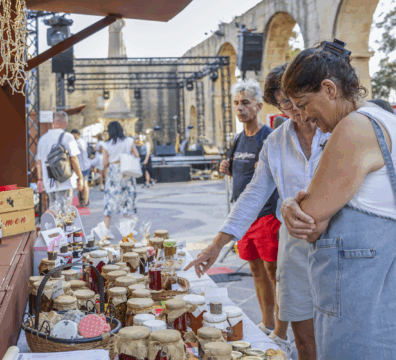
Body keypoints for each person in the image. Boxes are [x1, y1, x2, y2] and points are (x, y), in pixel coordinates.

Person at [185, 65, 331, 359]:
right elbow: (253, 193)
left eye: (300, 101)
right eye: (286, 103)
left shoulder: (337, 132)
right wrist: (217, 245)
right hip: (295, 243)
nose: (297, 111)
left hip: (336, 242)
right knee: (303, 337)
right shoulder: (276, 141)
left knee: (336, 330)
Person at [280, 40, 396, 359]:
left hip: (360, 316)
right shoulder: (383, 121)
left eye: (303, 104)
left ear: (329, 89)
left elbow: (309, 224)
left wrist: (290, 206)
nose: (302, 117)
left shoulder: (355, 128)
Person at [218, 79, 286, 341]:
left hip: (267, 215)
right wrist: (226, 167)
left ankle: (281, 328)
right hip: (244, 217)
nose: (240, 108)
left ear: (258, 106)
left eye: (245, 103)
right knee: (255, 271)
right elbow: (239, 171)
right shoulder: (237, 139)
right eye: (236, 103)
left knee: (274, 273)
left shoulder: (269, 136)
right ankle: (266, 322)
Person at [36, 111, 83, 206]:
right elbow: (74, 159)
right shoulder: (68, 137)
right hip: (65, 180)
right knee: (64, 213)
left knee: (54, 210)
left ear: (53, 122)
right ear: (65, 123)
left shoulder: (43, 139)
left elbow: (39, 163)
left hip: (49, 181)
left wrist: (40, 179)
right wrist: (80, 177)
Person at [102, 121, 140, 239]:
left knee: (110, 199)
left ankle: (106, 229)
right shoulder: (128, 141)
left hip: (114, 172)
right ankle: (127, 230)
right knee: (127, 199)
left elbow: (104, 163)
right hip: (126, 171)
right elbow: (137, 155)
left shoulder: (106, 145)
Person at [71, 129, 91, 206]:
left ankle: (85, 201)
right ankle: (84, 200)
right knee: (82, 183)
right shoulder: (83, 141)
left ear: (76, 134)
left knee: (84, 183)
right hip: (84, 165)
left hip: (83, 166)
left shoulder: (78, 143)